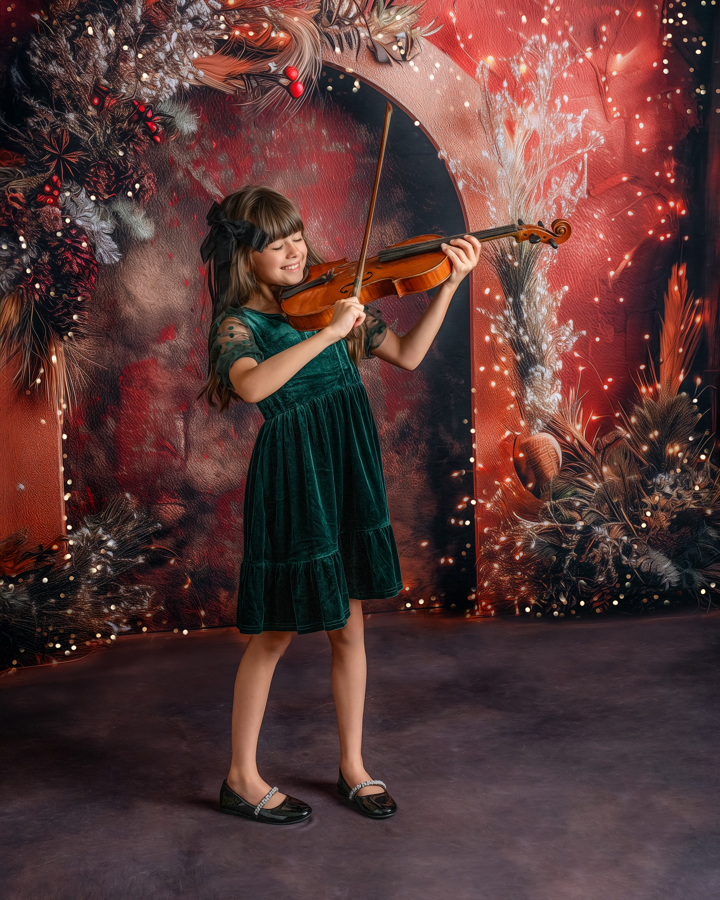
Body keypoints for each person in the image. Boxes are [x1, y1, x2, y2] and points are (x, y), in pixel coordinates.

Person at [197, 185, 482, 824]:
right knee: (274, 632)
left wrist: (449, 286)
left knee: (349, 626)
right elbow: (252, 388)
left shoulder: (333, 297)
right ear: (246, 256)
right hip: (296, 474)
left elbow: (408, 356)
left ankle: (352, 766)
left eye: (298, 236)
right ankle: (241, 777)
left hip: (347, 467)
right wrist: (329, 336)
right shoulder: (240, 324)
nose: (296, 251)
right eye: (277, 244)